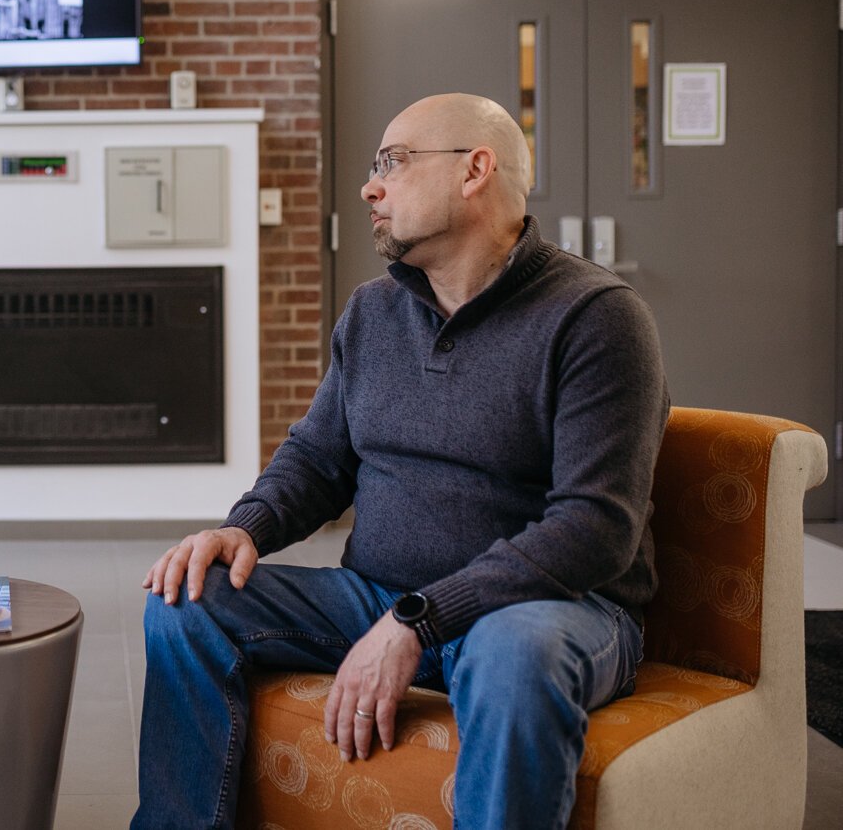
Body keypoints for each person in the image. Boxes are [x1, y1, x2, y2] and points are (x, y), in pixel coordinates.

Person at [132, 93, 668, 829]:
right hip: (382, 595)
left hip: (550, 612)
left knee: (513, 652)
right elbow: (318, 458)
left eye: (393, 162)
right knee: (185, 599)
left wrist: (419, 620)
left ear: (473, 170)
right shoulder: (372, 313)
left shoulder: (594, 316)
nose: (369, 187)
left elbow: (593, 528)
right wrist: (245, 529)